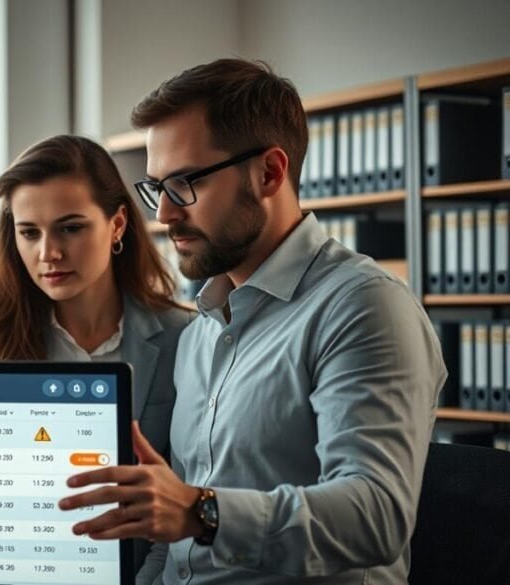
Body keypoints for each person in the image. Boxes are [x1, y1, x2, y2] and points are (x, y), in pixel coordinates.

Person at [58, 59, 446, 585]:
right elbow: (177, 543)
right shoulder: (200, 332)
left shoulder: (363, 308)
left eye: (185, 183)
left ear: (269, 173)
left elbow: (376, 516)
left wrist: (201, 511)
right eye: (157, 188)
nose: (165, 214)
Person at [0, 134, 191, 570]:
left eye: (70, 228)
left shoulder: (183, 337)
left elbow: (182, 505)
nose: (48, 253)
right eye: (29, 233)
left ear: (117, 225)